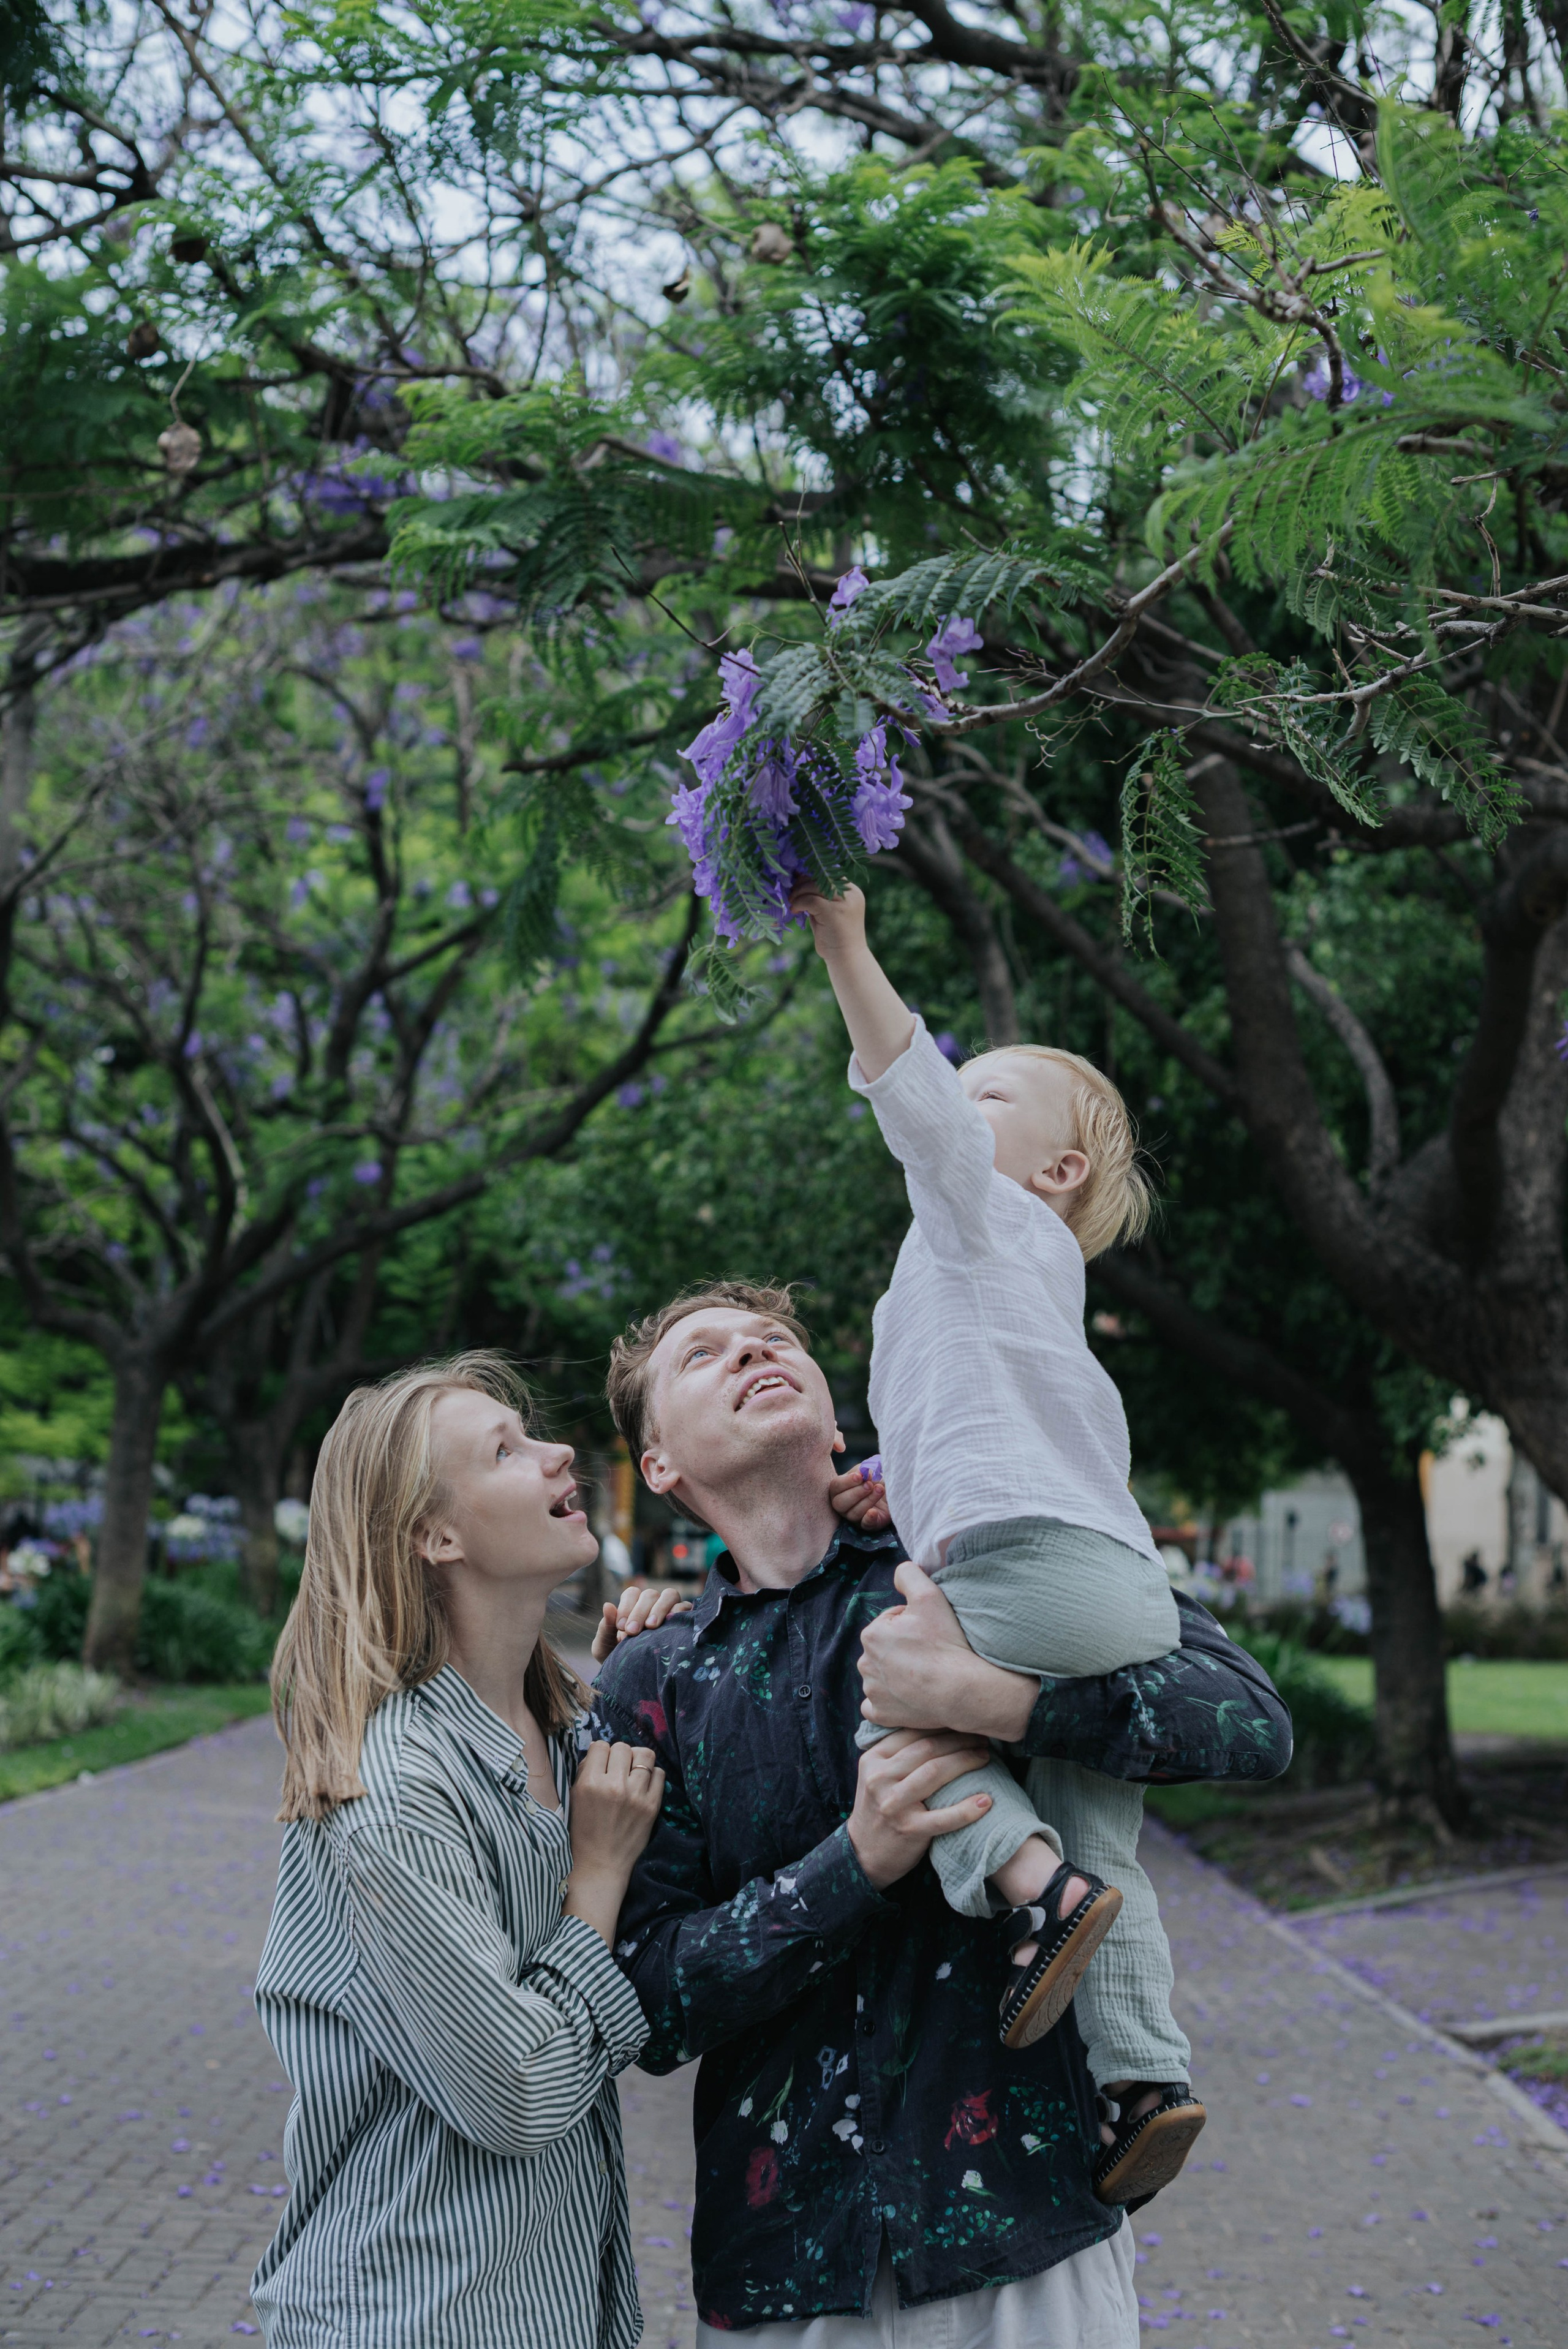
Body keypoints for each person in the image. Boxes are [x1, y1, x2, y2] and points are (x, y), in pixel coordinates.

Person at [591, 1283, 1292, 2345]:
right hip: (786, 2264)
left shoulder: (985, 1554)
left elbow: (1247, 1720)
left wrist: (1015, 1704)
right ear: (661, 1470)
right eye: (704, 1356)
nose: (751, 1353)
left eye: (775, 1339)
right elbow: (647, 2000)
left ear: (838, 1423)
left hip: (1027, 2224)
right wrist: (854, 1864)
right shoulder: (654, 1679)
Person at [793, 878, 1202, 2203]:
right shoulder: (1029, 1276)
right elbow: (977, 1415)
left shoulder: (980, 1214)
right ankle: (1144, 2082)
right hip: (1113, 1585)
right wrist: (884, 1479)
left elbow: (908, 1094)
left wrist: (846, 942)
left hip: (1022, 1567)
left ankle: (1026, 1890)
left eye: (983, 1101)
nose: (952, 1109)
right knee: (1114, 1850)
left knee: (894, 1712)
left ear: (1052, 1170)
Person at [249, 1353, 664, 2349]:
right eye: (507, 1451)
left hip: (542, 2301)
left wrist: (665, 1661)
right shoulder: (393, 1791)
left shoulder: (568, 1728)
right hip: (418, 2312)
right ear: (436, 1535)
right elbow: (519, 2092)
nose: (560, 1450)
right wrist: (597, 1876)